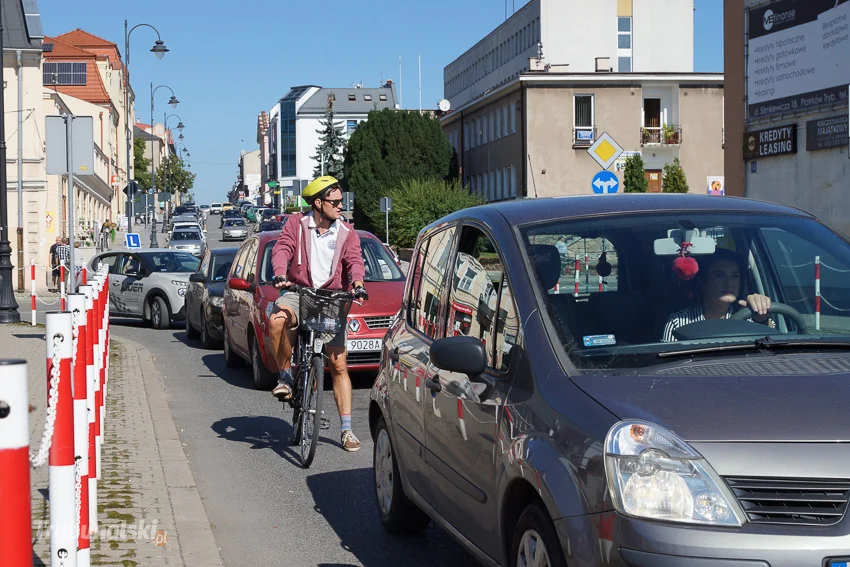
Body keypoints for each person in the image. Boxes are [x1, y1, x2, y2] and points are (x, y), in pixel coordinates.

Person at [268, 175, 369, 452]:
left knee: (338, 365)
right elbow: (282, 249)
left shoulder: (347, 232)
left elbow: (354, 261)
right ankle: (286, 376)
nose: (340, 206)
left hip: (331, 298)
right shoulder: (297, 224)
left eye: (341, 201)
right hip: (300, 292)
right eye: (335, 202)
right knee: (277, 319)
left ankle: (347, 430)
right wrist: (279, 273)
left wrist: (358, 284)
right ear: (317, 203)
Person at [662, 248, 773, 342]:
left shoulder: (749, 319)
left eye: (734, 276)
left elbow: (773, 351)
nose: (728, 282)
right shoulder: (678, 322)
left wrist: (761, 317)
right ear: (703, 282)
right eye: (719, 275)